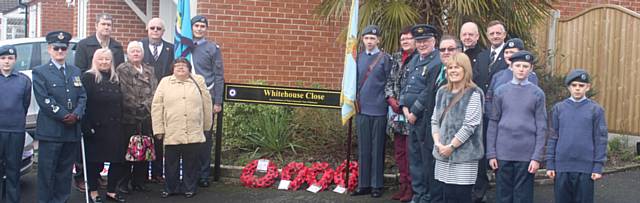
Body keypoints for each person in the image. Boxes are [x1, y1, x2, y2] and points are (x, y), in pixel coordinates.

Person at [33, 31, 87, 203]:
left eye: (63, 48)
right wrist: (64, 115)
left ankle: (61, 200)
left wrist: (77, 114)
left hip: (71, 131)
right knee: (47, 172)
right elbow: (44, 100)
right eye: (56, 48)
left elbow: (82, 96)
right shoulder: (40, 72)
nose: (60, 51)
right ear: (49, 49)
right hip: (51, 131)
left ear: (67, 50)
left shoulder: (75, 71)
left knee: (64, 173)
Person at [486, 51, 547, 203]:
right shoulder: (501, 92)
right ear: (511, 66)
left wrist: (536, 157)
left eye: (525, 66)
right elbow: (493, 122)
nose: (521, 69)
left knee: (523, 197)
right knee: (503, 196)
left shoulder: (537, 94)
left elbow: (541, 126)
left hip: (526, 155)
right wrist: (491, 153)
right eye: (517, 65)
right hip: (503, 154)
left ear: (531, 68)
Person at [74, 13, 125, 191]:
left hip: (110, 103)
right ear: (96, 25)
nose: (106, 27)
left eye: (109, 24)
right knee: (90, 153)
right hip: (93, 95)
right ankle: (84, 178)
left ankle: (104, 184)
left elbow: (118, 70)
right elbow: (79, 70)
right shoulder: (84, 44)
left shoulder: (117, 47)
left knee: (112, 153)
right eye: (103, 24)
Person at [152, 58, 213, 198]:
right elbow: (156, 106)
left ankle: (189, 188)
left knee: (191, 162)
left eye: (184, 66)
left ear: (189, 68)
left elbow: (207, 103)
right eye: (177, 66)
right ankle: (170, 188)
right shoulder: (165, 82)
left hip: (193, 129)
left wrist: (206, 126)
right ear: (172, 68)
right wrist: (158, 129)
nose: (180, 68)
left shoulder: (198, 81)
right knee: (170, 163)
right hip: (172, 130)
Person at [545, 69, 608, 203]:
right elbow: (552, 136)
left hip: (585, 168)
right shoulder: (559, 108)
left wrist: (597, 166)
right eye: (574, 85)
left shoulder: (596, 110)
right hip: (562, 166)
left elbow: (600, 139)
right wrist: (550, 163)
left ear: (588, 87)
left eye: (581, 85)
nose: (577, 89)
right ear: (568, 87)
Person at [430, 53, 484, 203]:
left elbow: (470, 125)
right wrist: (438, 144)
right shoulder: (441, 92)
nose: (453, 70)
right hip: (442, 154)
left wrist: (451, 147)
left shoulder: (474, 93)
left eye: (457, 67)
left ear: (465, 70)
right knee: (447, 196)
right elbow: (435, 120)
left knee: (461, 196)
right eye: (450, 67)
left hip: (464, 158)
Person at [399, 24, 442, 203]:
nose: (422, 44)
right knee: (414, 159)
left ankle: (427, 196)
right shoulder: (414, 60)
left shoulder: (437, 61)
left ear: (434, 41)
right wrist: (404, 107)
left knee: (426, 160)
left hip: (424, 118)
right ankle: (418, 194)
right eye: (419, 41)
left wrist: (414, 111)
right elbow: (405, 84)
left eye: (425, 41)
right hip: (410, 117)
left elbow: (428, 90)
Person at [350, 24, 392, 198]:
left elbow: (390, 82)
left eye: (373, 38)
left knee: (377, 149)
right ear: (362, 40)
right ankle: (364, 184)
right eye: (366, 38)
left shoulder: (385, 58)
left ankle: (377, 185)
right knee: (364, 148)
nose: (369, 41)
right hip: (362, 109)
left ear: (378, 40)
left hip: (380, 109)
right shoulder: (357, 58)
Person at [80, 48, 127, 202]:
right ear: (95, 60)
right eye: (101, 59)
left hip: (115, 127)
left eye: (107, 59)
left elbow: (120, 103)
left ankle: (111, 190)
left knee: (117, 161)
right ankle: (93, 191)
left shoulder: (115, 78)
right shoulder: (88, 77)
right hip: (96, 127)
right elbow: (83, 103)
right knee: (94, 162)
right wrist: (86, 126)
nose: (104, 62)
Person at [116, 41, 158, 194]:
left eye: (138, 51)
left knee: (144, 149)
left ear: (142, 53)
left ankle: (139, 181)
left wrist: (147, 106)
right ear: (128, 53)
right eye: (133, 51)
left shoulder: (150, 70)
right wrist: (139, 107)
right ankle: (123, 183)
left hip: (147, 117)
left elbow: (155, 91)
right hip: (129, 117)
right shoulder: (122, 69)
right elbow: (125, 93)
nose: (136, 53)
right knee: (127, 151)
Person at [190, 15, 224, 188]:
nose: (199, 28)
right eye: (196, 25)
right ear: (192, 27)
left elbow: (218, 75)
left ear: (206, 29)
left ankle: (203, 174)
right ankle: (189, 173)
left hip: (206, 97)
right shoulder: (183, 46)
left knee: (205, 137)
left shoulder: (212, 48)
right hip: (186, 98)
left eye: (202, 26)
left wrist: (217, 101)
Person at [459, 21, 491, 203]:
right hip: (457, 110)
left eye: (471, 34)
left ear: (478, 36)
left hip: (477, 110)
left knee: (477, 152)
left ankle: (479, 191)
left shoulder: (485, 56)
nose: (468, 37)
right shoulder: (457, 54)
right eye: (465, 34)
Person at [141, 17, 175, 183]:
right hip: (141, 99)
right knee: (142, 136)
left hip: (163, 98)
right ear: (147, 29)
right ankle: (140, 174)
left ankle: (157, 172)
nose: (155, 31)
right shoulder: (138, 46)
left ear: (163, 31)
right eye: (152, 28)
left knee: (159, 136)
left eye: (158, 28)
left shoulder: (171, 49)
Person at [385, 26, 416, 202]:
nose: (405, 41)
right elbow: (389, 81)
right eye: (402, 39)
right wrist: (390, 99)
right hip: (396, 114)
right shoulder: (395, 58)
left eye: (408, 38)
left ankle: (412, 188)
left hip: (410, 113)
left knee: (410, 152)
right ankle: (402, 185)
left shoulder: (418, 58)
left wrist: (403, 103)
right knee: (399, 153)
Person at [0, 45, 31, 203]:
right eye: (3, 58)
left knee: (13, 170)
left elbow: (24, 105)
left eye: (10, 58)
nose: (6, 62)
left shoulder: (23, 80)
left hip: (16, 131)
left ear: (15, 60)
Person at [485, 38, 539, 117]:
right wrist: (493, 116)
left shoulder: (530, 76)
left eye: (512, 52)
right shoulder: (498, 76)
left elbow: (534, 101)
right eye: (506, 52)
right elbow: (489, 99)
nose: (509, 55)